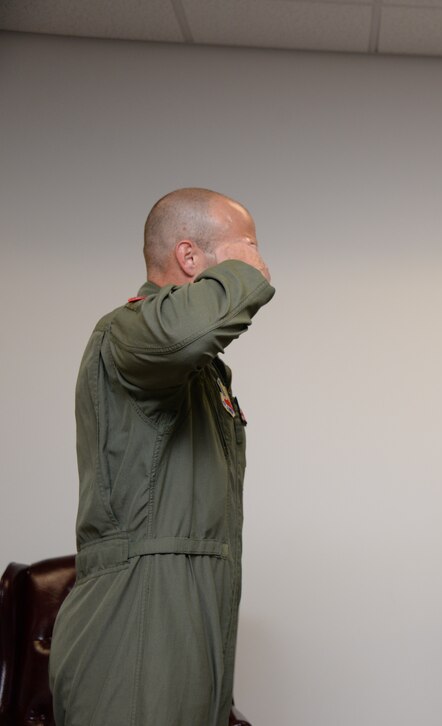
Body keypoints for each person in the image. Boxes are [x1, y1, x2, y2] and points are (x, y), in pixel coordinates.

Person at [49, 188, 275, 726]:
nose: (258, 259)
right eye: (244, 246)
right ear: (189, 257)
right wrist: (246, 276)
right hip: (136, 625)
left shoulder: (199, 371)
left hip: (186, 622)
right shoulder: (130, 332)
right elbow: (185, 331)